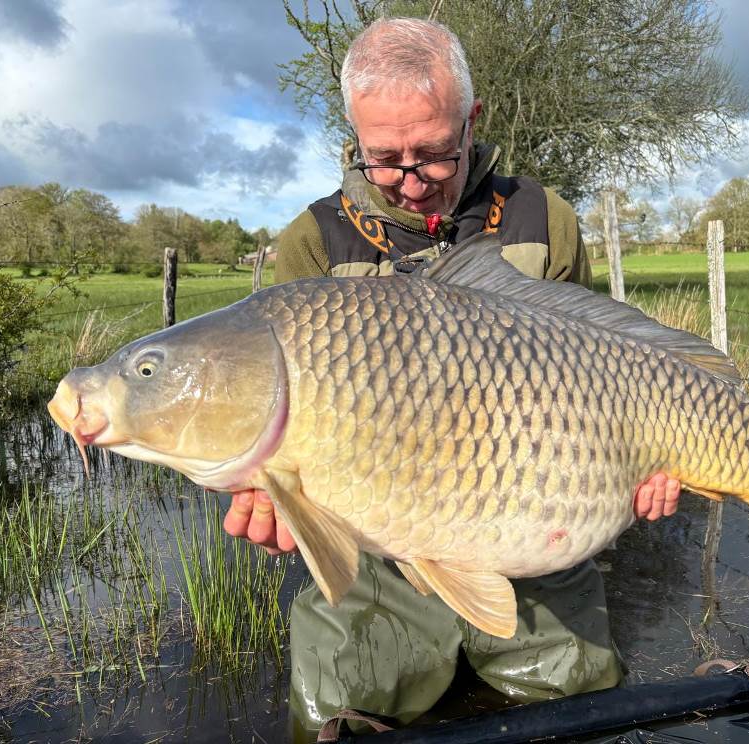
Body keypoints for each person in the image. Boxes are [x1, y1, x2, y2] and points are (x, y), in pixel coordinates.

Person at [223, 17, 681, 739]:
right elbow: (281, 434)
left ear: (471, 123)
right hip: (379, 554)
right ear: (354, 135)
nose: (410, 183)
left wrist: (643, 466)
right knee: (336, 720)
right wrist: (272, 495)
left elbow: (605, 365)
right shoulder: (313, 243)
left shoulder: (542, 219)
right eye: (384, 159)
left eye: (433, 154)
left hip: (533, 527)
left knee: (580, 712)